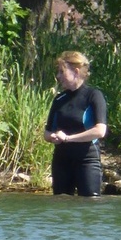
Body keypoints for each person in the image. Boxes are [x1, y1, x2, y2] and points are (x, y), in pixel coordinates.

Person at [44, 51, 108, 196]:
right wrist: (53, 136)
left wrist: (68, 138)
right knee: (61, 203)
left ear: (76, 71)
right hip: (62, 161)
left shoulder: (93, 95)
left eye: (61, 71)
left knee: (89, 204)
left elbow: (100, 131)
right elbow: (46, 133)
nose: (58, 76)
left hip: (87, 159)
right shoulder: (59, 99)